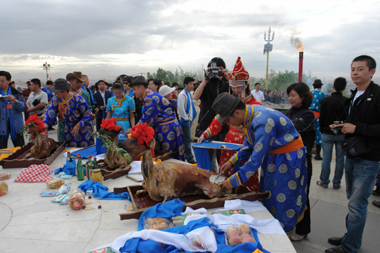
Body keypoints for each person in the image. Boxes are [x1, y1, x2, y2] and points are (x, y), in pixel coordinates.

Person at [214, 92, 307, 235]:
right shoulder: (249, 116)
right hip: (274, 156)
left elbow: (255, 160)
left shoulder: (262, 122)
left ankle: (285, 233)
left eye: (228, 120)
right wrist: (232, 162)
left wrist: (232, 181)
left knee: (284, 196)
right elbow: (249, 145)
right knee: (269, 192)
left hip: (288, 158)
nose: (229, 124)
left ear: (237, 113)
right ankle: (272, 226)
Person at [326, 55, 380, 253]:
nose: (355, 73)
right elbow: (352, 124)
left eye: (360, 69)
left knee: (357, 205)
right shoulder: (354, 95)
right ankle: (350, 236)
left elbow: (367, 127)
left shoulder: (377, 95)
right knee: (352, 201)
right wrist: (341, 126)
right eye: (353, 69)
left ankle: (350, 247)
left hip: (368, 158)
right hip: (352, 154)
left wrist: (357, 128)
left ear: (372, 72)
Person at [198, 57, 261, 192]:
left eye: (238, 87)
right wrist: (205, 134)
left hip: (246, 147)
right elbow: (217, 121)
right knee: (225, 179)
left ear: (246, 85)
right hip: (228, 146)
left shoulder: (256, 105)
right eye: (233, 88)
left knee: (245, 181)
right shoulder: (231, 102)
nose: (235, 91)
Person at [285, 82, 315, 241]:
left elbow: (292, 132)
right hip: (288, 160)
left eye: (293, 95)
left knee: (303, 194)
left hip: (302, 161)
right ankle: (290, 224)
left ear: (303, 96)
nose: (290, 98)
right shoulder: (289, 113)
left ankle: (303, 229)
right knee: (289, 193)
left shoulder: (308, 114)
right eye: (289, 95)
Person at [130, 76, 185, 160]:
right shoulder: (149, 96)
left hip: (167, 129)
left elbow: (146, 120)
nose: (133, 92)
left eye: (134, 89)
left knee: (167, 158)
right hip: (166, 127)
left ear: (141, 87)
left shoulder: (150, 98)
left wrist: (133, 130)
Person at [193, 57, 230, 171]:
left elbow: (237, 95)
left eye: (220, 69)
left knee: (223, 157)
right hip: (207, 125)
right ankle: (209, 179)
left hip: (224, 126)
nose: (216, 71)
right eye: (214, 69)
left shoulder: (226, 84)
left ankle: (222, 179)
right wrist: (205, 79)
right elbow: (195, 97)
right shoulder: (205, 84)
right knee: (208, 158)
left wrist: (230, 79)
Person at [42, 78, 94, 147]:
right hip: (66, 128)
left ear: (64, 92)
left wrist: (78, 126)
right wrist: (44, 128)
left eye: (57, 91)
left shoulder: (79, 99)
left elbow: (87, 115)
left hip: (81, 129)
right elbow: (49, 113)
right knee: (66, 151)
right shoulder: (55, 99)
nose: (55, 93)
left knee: (82, 152)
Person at [317, 77, 347, 190]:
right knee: (340, 159)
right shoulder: (347, 101)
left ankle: (324, 182)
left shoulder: (325, 100)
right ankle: (336, 183)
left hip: (327, 132)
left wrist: (322, 129)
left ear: (333, 86)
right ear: (344, 88)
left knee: (326, 158)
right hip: (341, 133)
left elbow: (322, 117)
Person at [0, 71, 26, 149]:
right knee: (2, 150)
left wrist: (15, 101)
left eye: (2, 81)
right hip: (1, 126)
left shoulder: (17, 93)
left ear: (9, 81)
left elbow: (23, 108)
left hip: (16, 125)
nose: (0, 83)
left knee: (20, 149)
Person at [177, 77, 197, 164]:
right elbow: (181, 109)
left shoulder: (188, 94)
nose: (192, 86)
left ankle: (185, 155)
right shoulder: (182, 94)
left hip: (188, 119)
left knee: (186, 138)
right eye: (190, 84)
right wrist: (186, 119)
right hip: (184, 120)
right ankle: (189, 157)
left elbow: (191, 108)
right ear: (185, 85)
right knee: (188, 139)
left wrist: (190, 118)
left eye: (192, 84)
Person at [310, 79, 326, 160]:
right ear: (321, 86)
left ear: (313, 86)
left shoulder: (309, 93)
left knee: (309, 133)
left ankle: (308, 153)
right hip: (318, 115)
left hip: (309, 115)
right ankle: (317, 154)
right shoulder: (322, 94)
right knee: (318, 134)